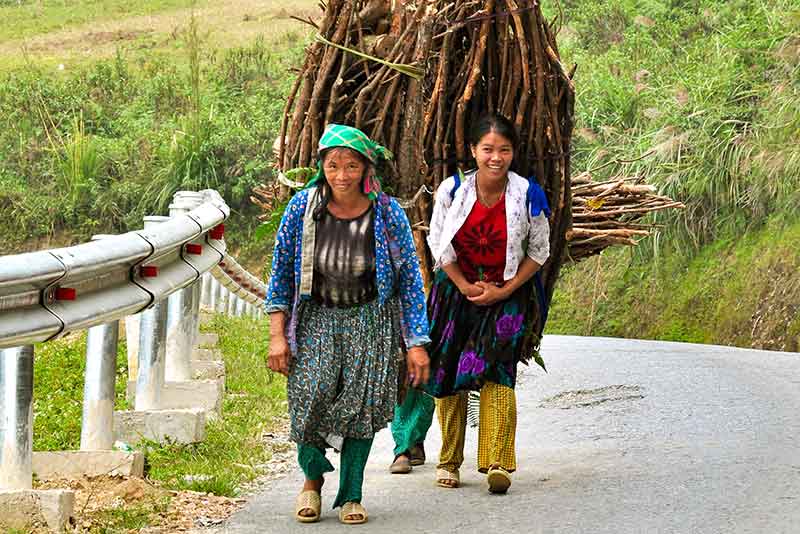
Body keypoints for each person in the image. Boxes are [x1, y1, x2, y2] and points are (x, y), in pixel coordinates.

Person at [265, 124, 431, 524]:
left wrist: (416, 342)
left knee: (362, 407)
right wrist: (276, 335)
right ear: (321, 166)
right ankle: (312, 480)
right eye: (334, 165)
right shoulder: (302, 208)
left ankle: (352, 493)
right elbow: (281, 275)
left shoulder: (387, 213)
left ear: (366, 168)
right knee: (308, 397)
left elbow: (408, 278)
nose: (342, 175)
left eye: (351, 166)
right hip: (316, 318)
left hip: (370, 320)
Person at [424, 113, 550, 493]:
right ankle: (448, 461)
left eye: (504, 150)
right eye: (488, 149)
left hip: (506, 294)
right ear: (474, 151)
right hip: (454, 292)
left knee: (498, 368)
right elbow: (438, 242)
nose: (496, 157)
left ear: (514, 153)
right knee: (446, 372)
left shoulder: (529, 194)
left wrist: (505, 289)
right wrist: (462, 284)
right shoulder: (452, 191)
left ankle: (497, 461)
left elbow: (540, 251)